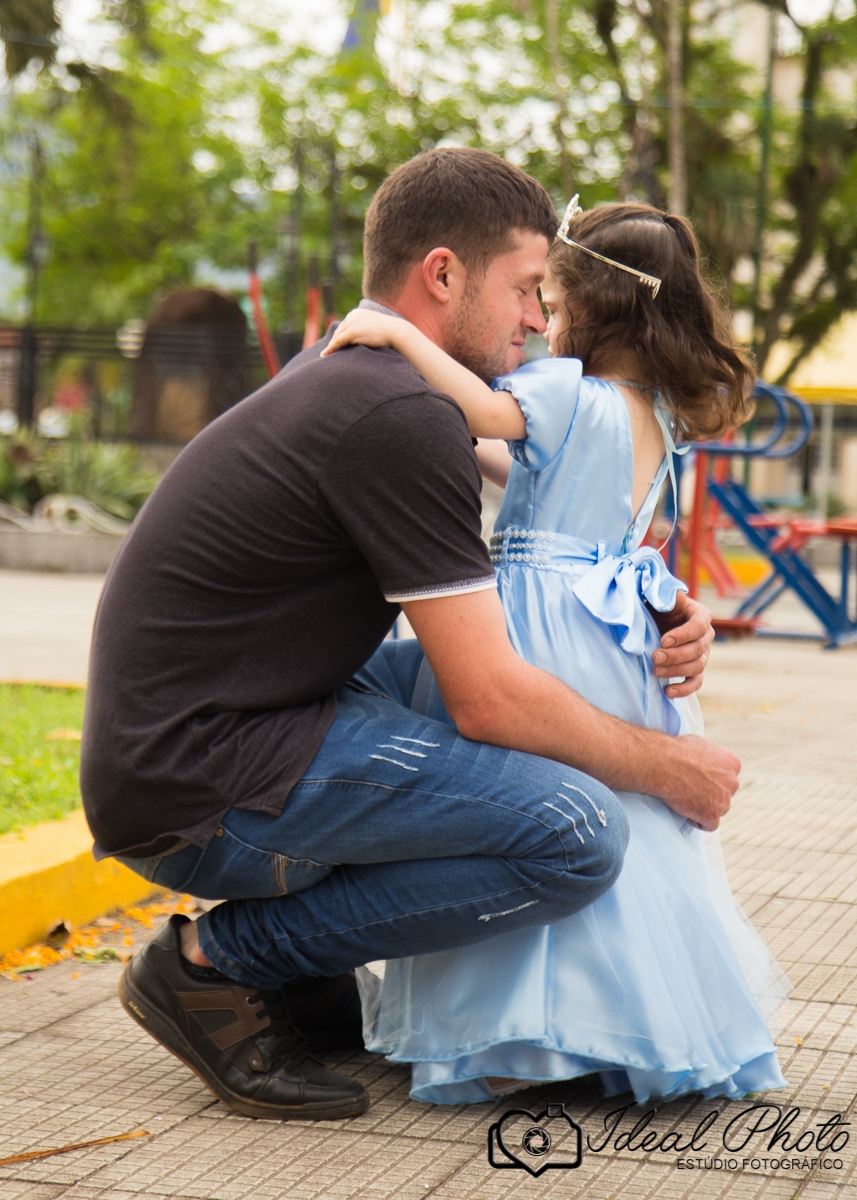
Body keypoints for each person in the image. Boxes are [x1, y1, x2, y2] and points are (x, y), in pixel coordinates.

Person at [80, 150, 735, 1123]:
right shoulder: (394, 412)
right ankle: (217, 965)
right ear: (440, 275)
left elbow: (559, 540)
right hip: (203, 774)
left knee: (457, 714)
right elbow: (490, 697)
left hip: (215, 730)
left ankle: (297, 974)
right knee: (575, 831)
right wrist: (666, 769)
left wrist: (659, 611)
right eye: (522, 289)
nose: (534, 319)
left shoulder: (365, 379)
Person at [322, 195, 789, 1104]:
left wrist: (391, 335)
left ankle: (519, 1037)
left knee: (523, 809)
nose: (542, 315)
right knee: (625, 821)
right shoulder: (648, 409)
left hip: (540, 633)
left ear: (592, 306)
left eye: (553, 296)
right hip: (611, 636)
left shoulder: (559, 392)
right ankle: (636, 1025)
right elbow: (535, 469)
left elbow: (473, 410)